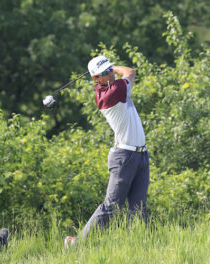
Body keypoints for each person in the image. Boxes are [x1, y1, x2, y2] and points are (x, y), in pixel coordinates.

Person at [65, 55, 150, 248]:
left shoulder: (113, 85)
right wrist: (116, 68)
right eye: (105, 73)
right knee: (112, 205)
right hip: (124, 157)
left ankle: (139, 247)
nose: (110, 74)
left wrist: (108, 67)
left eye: (110, 70)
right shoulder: (113, 93)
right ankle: (77, 244)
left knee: (138, 207)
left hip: (140, 155)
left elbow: (124, 74)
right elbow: (130, 72)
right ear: (96, 79)